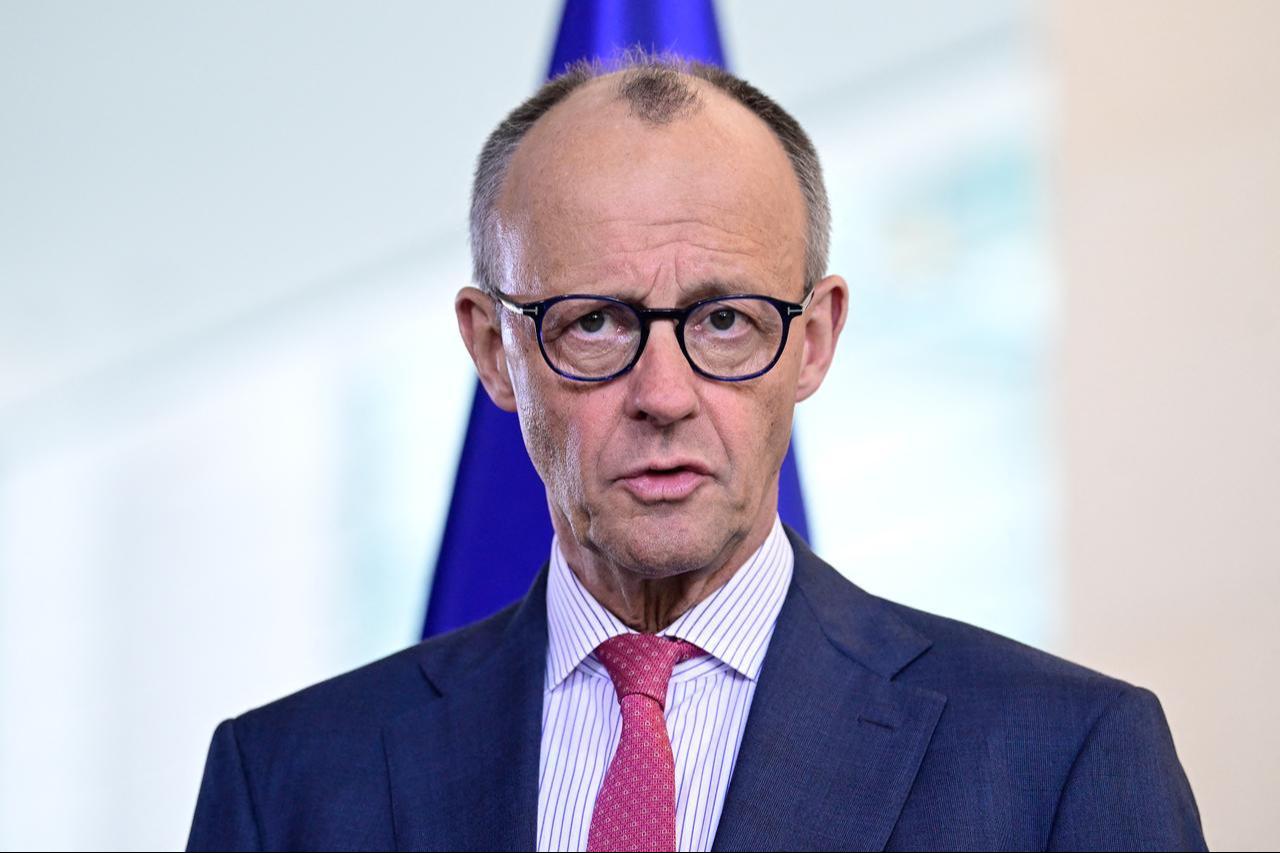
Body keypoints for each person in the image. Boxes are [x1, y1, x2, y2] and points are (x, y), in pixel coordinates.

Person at [187, 55, 1206, 852]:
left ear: (812, 341)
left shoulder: (1059, 758)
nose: (664, 395)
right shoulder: (289, 781)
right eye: (591, 323)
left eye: (723, 319)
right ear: (492, 350)